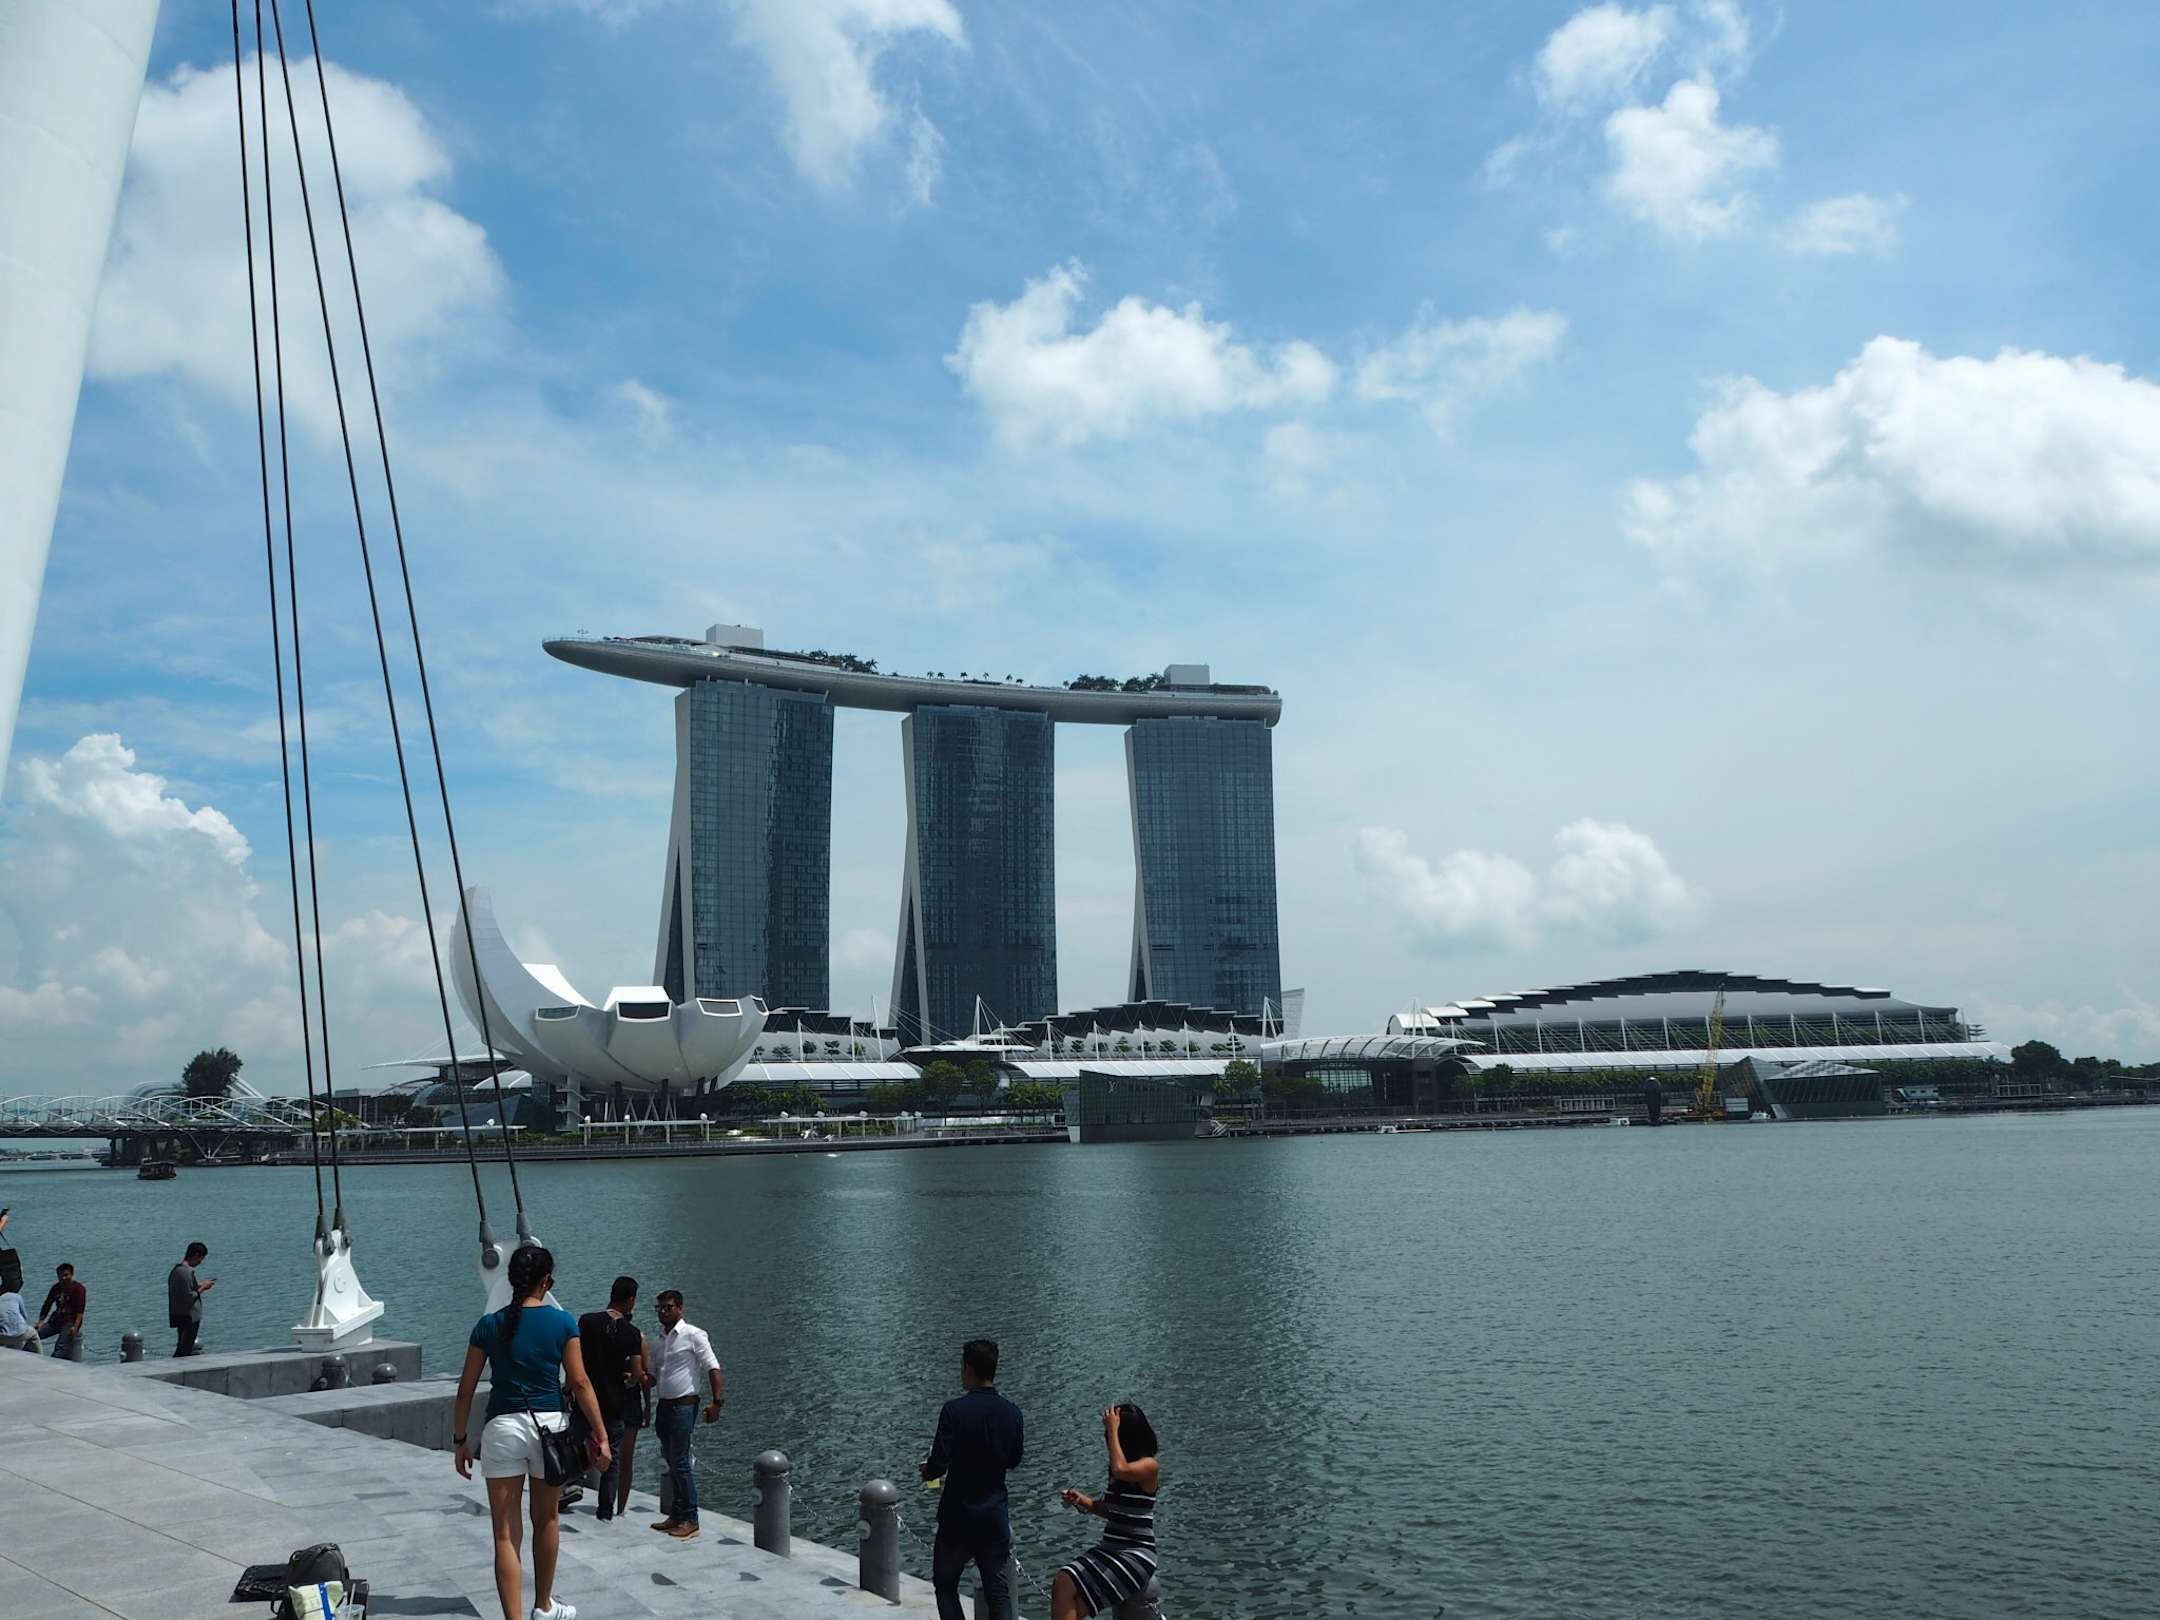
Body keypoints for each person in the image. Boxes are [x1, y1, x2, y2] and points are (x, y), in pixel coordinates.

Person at [452, 1245, 609, 1620]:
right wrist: (601, 1435)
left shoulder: (489, 1325)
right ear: (546, 1281)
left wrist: (460, 1441)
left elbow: (465, 1390)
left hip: (502, 1427)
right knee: (547, 1519)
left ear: (511, 1281)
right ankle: (544, 1606)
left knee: (505, 1534)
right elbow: (580, 1382)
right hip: (549, 1429)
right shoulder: (562, 1322)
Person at [920, 1338, 1024, 1620]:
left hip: (958, 1516)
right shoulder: (1012, 1412)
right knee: (997, 1591)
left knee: (945, 1585)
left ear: (968, 1368)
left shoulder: (953, 1410)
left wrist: (928, 1471)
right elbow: (1014, 1460)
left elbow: (939, 1463)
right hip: (994, 1515)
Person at [1053, 1403, 1161, 1620]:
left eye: (1111, 1432)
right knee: (1062, 1582)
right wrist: (1080, 1499)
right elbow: (1110, 1511)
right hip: (1110, 1548)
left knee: (1075, 1604)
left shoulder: (1149, 1466)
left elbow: (1121, 1470)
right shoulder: (1119, 1470)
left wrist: (1112, 1428)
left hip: (1135, 1553)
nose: (1107, 1436)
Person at [646, 1287, 723, 1539]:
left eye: (668, 1307)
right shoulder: (658, 1341)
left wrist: (717, 1403)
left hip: (684, 1406)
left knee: (680, 1461)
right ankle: (677, 1515)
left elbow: (713, 1367)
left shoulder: (693, 1335)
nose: (663, 1312)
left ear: (680, 1308)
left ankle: (691, 1518)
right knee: (671, 1461)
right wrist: (634, 1377)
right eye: (659, 1308)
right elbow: (651, 1378)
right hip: (664, 1406)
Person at [576, 1276, 645, 1523]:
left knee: (575, 1443)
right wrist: (628, 1380)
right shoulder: (632, 1333)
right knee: (612, 1456)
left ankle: (567, 1486)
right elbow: (637, 1373)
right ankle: (605, 1510)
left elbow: (575, 1355)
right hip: (615, 1402)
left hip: (586, 1397)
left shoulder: (587, 1321)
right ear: (631, 1299)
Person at [611, 1315, 655, 1521]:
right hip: (611, 1399)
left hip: (630, 1401)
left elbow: (644, 1375)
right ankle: (608, 1502)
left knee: (625, 1458)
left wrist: (648, 1406)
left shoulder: (639, 1337)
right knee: (610, 1455)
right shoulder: (607, 1335)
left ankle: (621, 1507)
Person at [167, 1241, 215, 1357]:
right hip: (188, 1317)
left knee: (183, 1346)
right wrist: (203, 1287)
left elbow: (183, 1290)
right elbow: (189, 1296)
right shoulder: (185, 1272)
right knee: (185, 1348)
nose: (201, 1262)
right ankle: (178, 1366)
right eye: (201, 1258)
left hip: (181, 1314)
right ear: (196, 1255)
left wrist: (199, 1285)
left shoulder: (177, 1270)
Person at [36, 1263, 86, 1361]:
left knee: (60, 1346)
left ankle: (52, 1364)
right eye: (60, 1276)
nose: (63, 1278)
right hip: (57, 1319)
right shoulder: (56, 1288)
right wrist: (41, 1322)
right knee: (34, 1335)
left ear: (72, 1274)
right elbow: (47, 1305)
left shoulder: (79, 1289)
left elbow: (80, 1311)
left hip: (70, 1321)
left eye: (66, 1275)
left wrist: (75, 1327)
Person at [0, 1283, 37, 1352]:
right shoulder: (17, 1297)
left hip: (2, 1336)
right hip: (19, 1335)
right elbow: (25, 1316)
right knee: (34, 1334)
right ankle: (40, 1356)